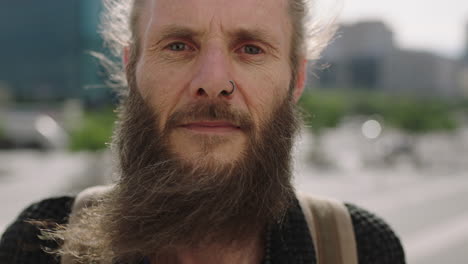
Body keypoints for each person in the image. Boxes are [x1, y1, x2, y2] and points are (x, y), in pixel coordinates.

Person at [0, 0, 406, 263]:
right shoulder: (39, 244)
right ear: (130, 68)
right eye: (178, 46)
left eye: (250, 49)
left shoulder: (362, 249)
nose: (213, 82)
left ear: (295, 80)